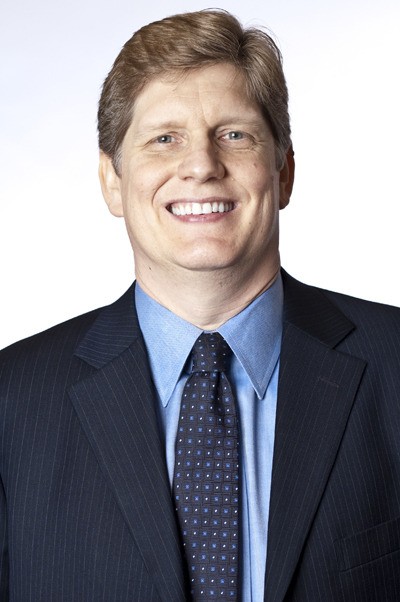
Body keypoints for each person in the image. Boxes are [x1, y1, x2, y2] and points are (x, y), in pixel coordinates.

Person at [1, 8, 400, 602]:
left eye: (234, 135)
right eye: (165, 139)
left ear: (284, 171)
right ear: (112, 181)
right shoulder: (11, 400)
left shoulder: (393, 364)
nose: (201, 166)